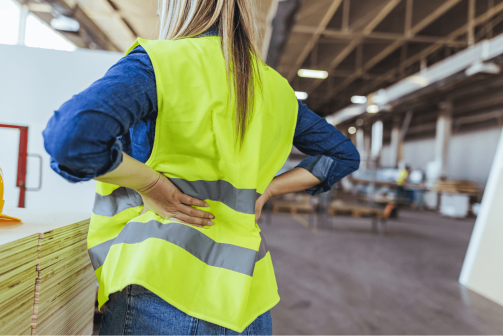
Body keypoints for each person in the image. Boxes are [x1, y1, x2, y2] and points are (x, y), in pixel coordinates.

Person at [43, 1, 360, 334]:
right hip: (247, 300)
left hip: (162, 286)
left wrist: (151, 185)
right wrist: (268, 190)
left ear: (176, 8)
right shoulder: (276, 88)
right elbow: (341, 155)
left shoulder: (162, 64)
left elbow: (71, 141)